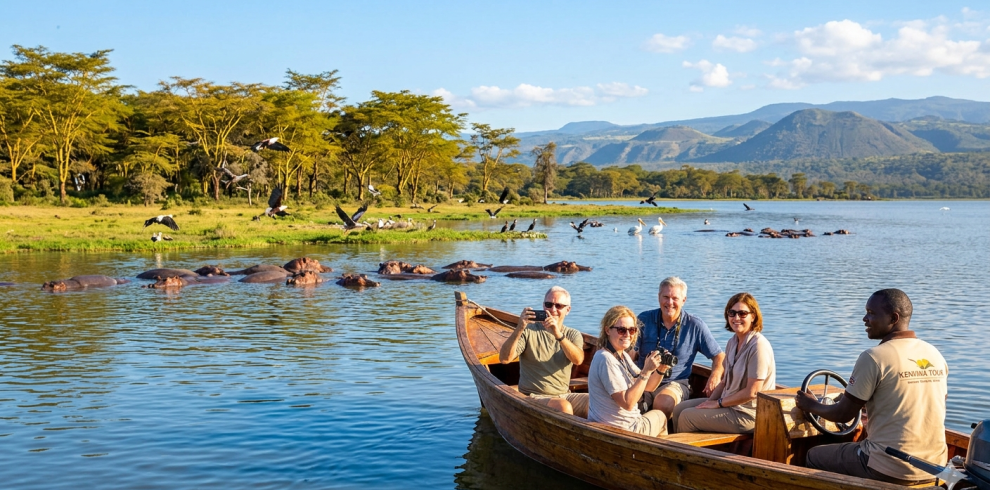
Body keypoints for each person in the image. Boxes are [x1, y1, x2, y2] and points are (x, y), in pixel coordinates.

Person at [795, 289, 948, 486]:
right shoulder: (934, 354)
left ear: (893, 318)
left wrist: (811, 405)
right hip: (936, 467)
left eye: (871, 313)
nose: (864, 319)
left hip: (890, 466)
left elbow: (842, 415)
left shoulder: (874, 357)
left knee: (814, 455)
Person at [671, 292, 775, 434]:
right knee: (679, 409)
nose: (736, 318)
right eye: (732, 313)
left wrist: (718, 403)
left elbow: (753, 392)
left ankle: (686, 454)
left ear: (753, 317)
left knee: (687, 417)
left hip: (749, 414)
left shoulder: (758, 346)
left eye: (742, 314)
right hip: (729, 405)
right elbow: (725, 382)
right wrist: (708, 403)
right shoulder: (732, 342)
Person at [634, 277, 725, 418]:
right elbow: (630, 353)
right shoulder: (644, 319)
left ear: (684, 300)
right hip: (643, 377)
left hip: (675, 382)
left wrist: (715, 374)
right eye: (666, 297)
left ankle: (661, 437)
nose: (670, 302)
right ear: (659, 297)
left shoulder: (695, 325)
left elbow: (719, 356)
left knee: (663, 403)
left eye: (675, 298)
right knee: (627, 402)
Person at [499, 286, 588, 418]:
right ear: (543, 306)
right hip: (533, 396)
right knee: (563, 407)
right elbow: (505, 359)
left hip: (564, 394)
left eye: (559, 306)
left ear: (567, 310)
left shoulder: (572, 334)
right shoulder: (529, 330)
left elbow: (578, 359)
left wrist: (558, 334)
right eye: (549, 304)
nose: (553, 310)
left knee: (597, 401)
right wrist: (519, 328)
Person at [588, 306, 668, 436]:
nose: (627, 335)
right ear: (607, 330)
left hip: (619, 425)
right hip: (622, 429)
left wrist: (660, 370)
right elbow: (628, 403)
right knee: (661, 417)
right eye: (621, 330)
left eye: (632, 330)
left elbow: (648, 387)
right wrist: (646, 371)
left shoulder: (622, 355)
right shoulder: (606, 359)